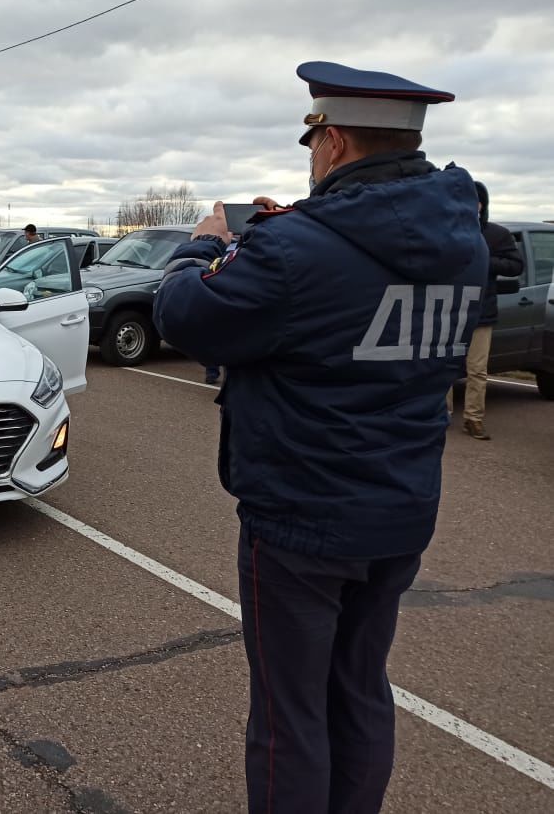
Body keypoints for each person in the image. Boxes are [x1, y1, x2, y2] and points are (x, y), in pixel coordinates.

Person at [153, 61, 487, 814]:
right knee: (361, 688)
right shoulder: (463, 238)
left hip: (302, 518)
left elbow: (186, 318)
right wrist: (286, 234)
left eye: (314, 144)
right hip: (401, 508)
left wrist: (200, 247)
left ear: (332, 141)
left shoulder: (298, 249)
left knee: (289, 715)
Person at [446, 181, 524, 440]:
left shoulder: (497, 234)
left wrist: (484, 260)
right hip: (449, 310)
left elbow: (515, 266)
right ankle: (441, 414)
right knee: (442, 365)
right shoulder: (448, 231)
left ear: (481, 204)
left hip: (482, 311)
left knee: (477, 369)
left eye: (475, 200)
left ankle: (473, 419)